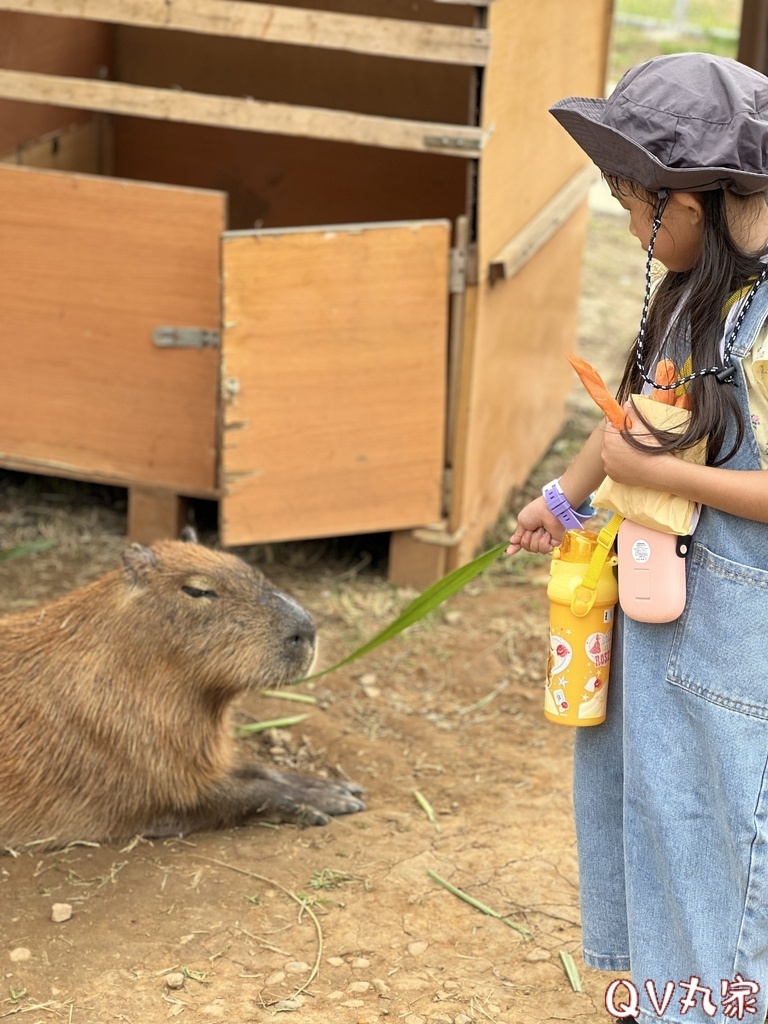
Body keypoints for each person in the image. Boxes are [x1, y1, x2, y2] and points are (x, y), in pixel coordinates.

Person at [507, 53, 768, 1024]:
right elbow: (633, 423)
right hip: (664, 627)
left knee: (724, 828)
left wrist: (655, 478)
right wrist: (565, 500)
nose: (631, 225)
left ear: (691, 202)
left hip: (740, 642)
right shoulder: (697, 300)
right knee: (660, 811)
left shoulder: (763, 321)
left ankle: (717, 1006)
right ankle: (666, 999)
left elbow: (652, 460)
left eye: (633, 204)